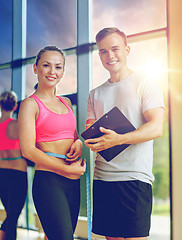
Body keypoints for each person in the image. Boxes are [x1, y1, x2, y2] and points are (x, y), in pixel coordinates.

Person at [84, 27, 165, 240]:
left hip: (134, 179)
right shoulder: (95, 94)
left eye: (115, 49)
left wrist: (120, 139)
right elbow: (91, 131)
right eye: (103, 51)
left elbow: (156, 127)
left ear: (127, 50)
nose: (110, 56)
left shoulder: (145, 84)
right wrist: (89, 141)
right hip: (102, 179)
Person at [18, 46, 86, 240]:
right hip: (49, 182)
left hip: (73, 183)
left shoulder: (65, 102)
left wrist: (78, 143)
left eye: (58, 67)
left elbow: (72, 135)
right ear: (35, 68)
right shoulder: (30, 105)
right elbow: (28, 150)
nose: (52, 71)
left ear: (63, 72)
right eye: (46, 65)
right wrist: (67, 169)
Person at [0, 91, 27, 240]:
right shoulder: (17, 125)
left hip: (1, 174)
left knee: (11, 215)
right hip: (17, 173)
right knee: (12, 216)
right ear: (15, 106)